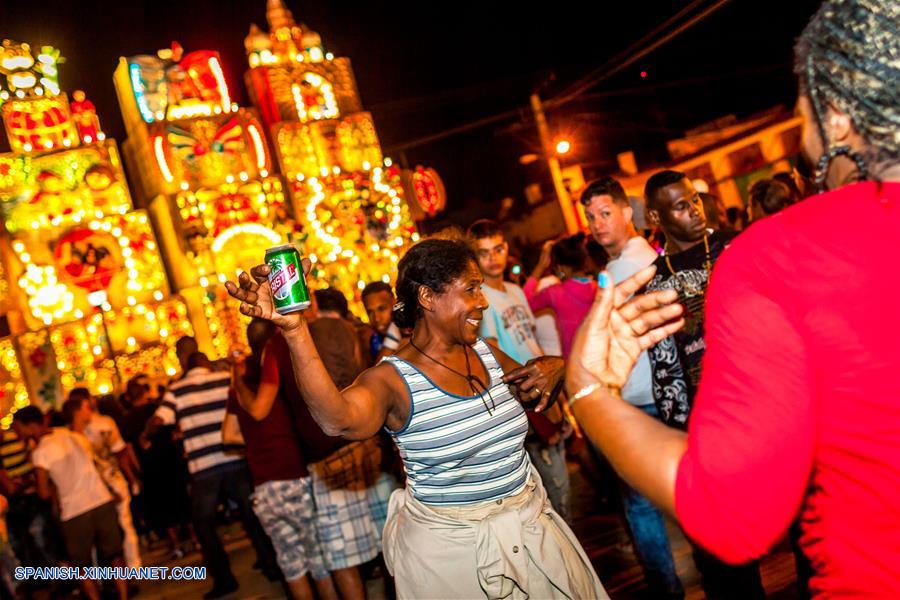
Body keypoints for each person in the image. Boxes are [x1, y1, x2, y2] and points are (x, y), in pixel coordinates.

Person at [567, 1, 900, 596]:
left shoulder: (777, 256)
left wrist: (588, 392)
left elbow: (732, 513)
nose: (803, 136)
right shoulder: (697, 267)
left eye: (804, 114)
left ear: (841, 118)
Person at [225, 238, 606, 599]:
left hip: (531, 530)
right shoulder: (392, 379)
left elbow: (532, 388)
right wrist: (295, 330)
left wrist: (558, 367)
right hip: (455, 557)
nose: (482, 302)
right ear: (427, 296)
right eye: (470, 289)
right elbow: (336, 420)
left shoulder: (487, 352)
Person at [643, 170, 764, 598]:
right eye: (680, 206)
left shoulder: (739, 245)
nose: (694, 211)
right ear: (656, 217)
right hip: (707, 431)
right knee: (726, 555)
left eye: (694, 200)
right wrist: (681, 436)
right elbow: (664, 370)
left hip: (767, 411)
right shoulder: (654, 282)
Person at [240, 290, 395, 600]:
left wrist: (237, 381)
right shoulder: (346, 329)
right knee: (391, 543)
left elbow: (261, 407)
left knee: (342, 558)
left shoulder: (277, 345)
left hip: (326, 456)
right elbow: (366, 374)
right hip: (367, 443)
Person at [580, 175, 683, 598]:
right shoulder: (612, 270)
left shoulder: (646, 263)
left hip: (656, 398)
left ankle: (673, 589)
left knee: (648, 503)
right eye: (590, 217)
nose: (598, 223)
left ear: (628, 212)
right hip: (636, 401)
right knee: (655, 501)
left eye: (605, 213)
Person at [146, 350, 278, 599]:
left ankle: (225, 579)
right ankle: (271, 564)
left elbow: (159, 420)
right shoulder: (223, 379)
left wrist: (147, 433)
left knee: (203, 523)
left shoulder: (177, 390)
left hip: (204, 467)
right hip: (232, 458)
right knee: (251, 513)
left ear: (182, 359)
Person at [467, 219, 572, 522]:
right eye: (484, 252)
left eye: (498, 248)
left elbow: (533, 344)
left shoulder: (515, 290)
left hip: (546, 389)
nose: (493, 258)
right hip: (525, 399)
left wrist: (559, 398)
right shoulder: (481, 298)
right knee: (552, 489)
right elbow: (494, 358)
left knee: (561, 484)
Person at [227, 319, 337, 600]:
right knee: (320, 564)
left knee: (292, 568)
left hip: (264, 487)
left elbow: (228, 435)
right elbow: (263, 410)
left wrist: (256, 441)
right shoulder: (278, 369)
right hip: (294, 476)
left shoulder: (239, 386)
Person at [13, 406, 128, 600]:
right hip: (101, 500)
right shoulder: (68, 434)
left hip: (74, 511)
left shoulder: (40, 453)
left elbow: (43, 493)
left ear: (30, 426)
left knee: (81, 566)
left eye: (18, 428)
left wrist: (34, 485)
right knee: (115, 556)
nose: (16, 434)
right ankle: (123, 595)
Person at [65, 388, 142, 569]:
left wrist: (131, 478)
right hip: (104, 484)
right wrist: (131, 478)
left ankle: (126, 569)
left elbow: (120, 452)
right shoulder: (79, 431)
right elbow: (120, 453)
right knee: (122, 526)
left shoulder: (79, 431)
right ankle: (130, 567)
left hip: (101, 484)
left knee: (109, 531)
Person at [121, 378, 192, 559]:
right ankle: (196, 538)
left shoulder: (129, 419)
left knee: (164, 509)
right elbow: (177, 431)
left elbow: (129, 450)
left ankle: (176, 544)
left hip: (152, 468)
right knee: (182, 501)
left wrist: (138, 471)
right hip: (170, 461)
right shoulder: (157, 410)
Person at [524, 234, 597, 359]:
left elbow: (523, 304)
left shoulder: (555, 293)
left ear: (560, 268)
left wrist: (540, 266)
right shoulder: (599, 288)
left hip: (575, 363)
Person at [361, 281, 404, 364]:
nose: (376, 318)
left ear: (394, 302)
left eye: (382, 309)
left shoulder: (412, 333)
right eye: (370, 312)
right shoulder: (370, 340)